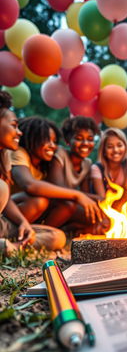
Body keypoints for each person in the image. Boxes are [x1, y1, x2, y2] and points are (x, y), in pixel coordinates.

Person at [0, 92, 65, 254]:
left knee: (57, 236)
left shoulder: (4, 156)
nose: (19, 132)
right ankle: (5, 246)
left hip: (3, 225)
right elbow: (28, 185)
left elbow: (6, 200)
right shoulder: (18, 155)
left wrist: (23, 223)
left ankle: (10, 247)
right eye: (14, 125)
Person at [10, 116, 101, 228]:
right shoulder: (19, 153)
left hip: (31, 210)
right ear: (32, 138)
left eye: (54, 141)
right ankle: (16, 230)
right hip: (9, 209)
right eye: (47, 140)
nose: (53, 146)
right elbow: (29, 185)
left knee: (74, 208)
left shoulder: (43, 164)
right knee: (40, 201)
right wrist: (78, 195)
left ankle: (43, 232)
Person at [47, 115, 102, 231]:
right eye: (79, 138)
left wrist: (100, 200)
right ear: (67, 141)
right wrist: (98, 198)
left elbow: (86, 197)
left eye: (90, 139)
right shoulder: (59, 154)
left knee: (98, 215)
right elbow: (59, 189)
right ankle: (44, 230)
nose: (85, 143)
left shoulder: (87, 163)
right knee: (69, 205)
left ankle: (69, 228)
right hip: (52, 203)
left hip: (70, 203)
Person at [90, 127, 127, 206]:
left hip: (123, 207)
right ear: (104, 150)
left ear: (125, 146)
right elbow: (103, 200)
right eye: (110, 147)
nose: (116, 150)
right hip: (103, 208)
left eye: (119, 145)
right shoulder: (97, 168)